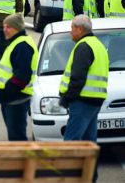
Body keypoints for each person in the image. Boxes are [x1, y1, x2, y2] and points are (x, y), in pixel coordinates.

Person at [59, 15, 108, 182]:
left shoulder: (84, 46)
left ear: (80, 29)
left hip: (82, 100)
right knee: (89, 143)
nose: (70, 31)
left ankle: (68, 178)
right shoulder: (98, 45)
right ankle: (90, 177)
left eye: (72, 28)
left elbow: (78, 77)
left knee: (71, 142)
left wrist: (67, 98)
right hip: (94, 100)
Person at [0, 13, 38, 141]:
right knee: (15, 137)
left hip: (16, 99)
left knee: (17, 138)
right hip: (12, 99)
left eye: (9, 27)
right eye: (4, 26)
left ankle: (24, 161)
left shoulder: (22, 46)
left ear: (17, 28)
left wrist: (5, 91)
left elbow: (22, 77)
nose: (5, 30)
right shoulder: (16, 43)